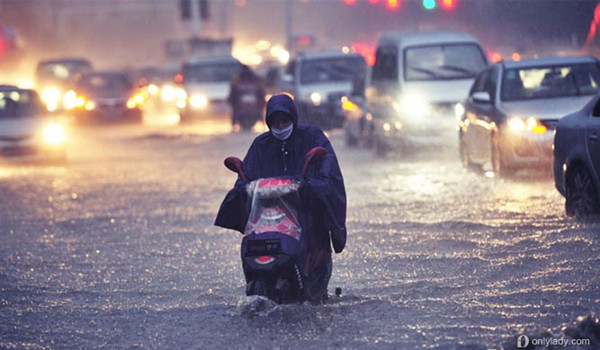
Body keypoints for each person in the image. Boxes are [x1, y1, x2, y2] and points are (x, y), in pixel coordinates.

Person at [215, 94, 347, 303]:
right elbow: (247, 175)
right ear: (268, 123)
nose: (280, 126)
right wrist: (243, 188)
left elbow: (327, 170)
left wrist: (310, 186)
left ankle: (312, 279)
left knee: (315, 231)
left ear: (293, 118)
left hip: (304, 210)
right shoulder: (261, 145)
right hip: (267, 216)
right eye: (275, 122)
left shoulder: (312, 136)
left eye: (284, 121)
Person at [227, 64, 266, 130]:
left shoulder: (255, 78)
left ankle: (262, 121)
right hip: (240, 101)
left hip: (254, 100)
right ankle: (234, 123)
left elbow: (261, 90)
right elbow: (233, 89)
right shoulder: (237, 78)